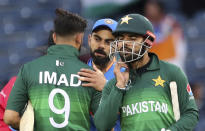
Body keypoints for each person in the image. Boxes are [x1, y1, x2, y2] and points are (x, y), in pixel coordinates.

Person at [94, 13, 199, 131]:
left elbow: (191, 114)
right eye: (120, 38)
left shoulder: (171, 72)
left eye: (132, 39)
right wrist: (119, 87)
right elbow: (102, 125)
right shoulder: (113, 84)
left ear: (148, 42)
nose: (125, 44)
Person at [4, 8, 101, 130]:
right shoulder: (90, 74)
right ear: (79, 38)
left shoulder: (28, 69)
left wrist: (30, 127)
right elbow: (105, 123)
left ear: (54, 37)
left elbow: (10, 118)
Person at [78, 19, 121, 131]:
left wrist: (105, 87)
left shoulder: (127, 75)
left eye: (108, 42)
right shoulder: (76, 74)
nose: (101, 46)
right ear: (89, 39)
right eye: (97, 39)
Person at [144, 0, 187, 71]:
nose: (150, 11)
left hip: (171, 60)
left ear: (160, 8)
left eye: (153, 8)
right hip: (152, 63)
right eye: (148, 8)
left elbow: (180, 44)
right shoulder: (143, 24)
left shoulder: (171, 22)